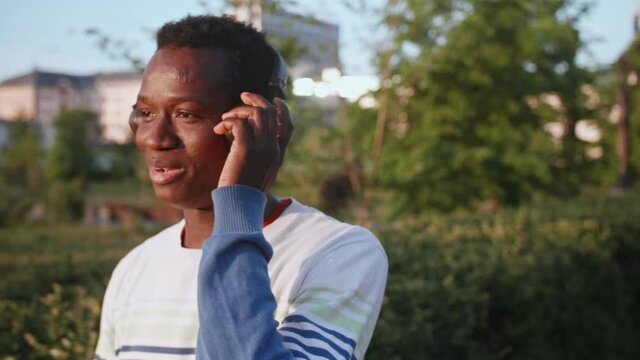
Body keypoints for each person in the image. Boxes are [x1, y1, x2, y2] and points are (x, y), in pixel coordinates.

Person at [94, 14, 387, 360]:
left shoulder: (338, 252)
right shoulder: (134, 267)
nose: (156, 139)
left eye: (187, 114)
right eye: (145, 113)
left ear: (261, 122)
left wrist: (235, 206)